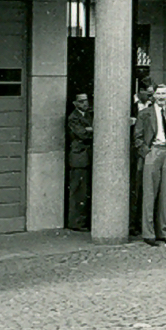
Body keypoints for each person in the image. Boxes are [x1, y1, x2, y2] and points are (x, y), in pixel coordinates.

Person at [133, 84, 166, 246]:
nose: (161, 96)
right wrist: (147, 153)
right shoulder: (144, 114)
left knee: (165, 195)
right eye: (158, 94)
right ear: (154, 96)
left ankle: (163, 232)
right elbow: (137, 137)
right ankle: (148, 233)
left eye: (164, 93)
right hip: (153, 151)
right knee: (149, 194)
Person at [129, 79, 154, 236]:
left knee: (143, 188)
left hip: (146, 152)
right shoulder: (129, 105)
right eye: (149, 93)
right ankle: (131, 223)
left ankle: (140, 223)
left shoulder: (153, 108)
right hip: (132, 152)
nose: (151, 97)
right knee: (133, 189)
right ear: (141, 91)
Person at [66, 93, 93, 232]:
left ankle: (83, 221)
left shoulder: (88, 115)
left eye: (86, 101)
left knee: (85, 190)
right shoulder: (74, 117)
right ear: (75, 103)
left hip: (86, 156)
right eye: (81, 102)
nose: (85, 104)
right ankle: (76, 222)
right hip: (79, 157)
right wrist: (90, 130)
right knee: (78, 191)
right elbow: (82, 134)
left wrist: (90, 130)